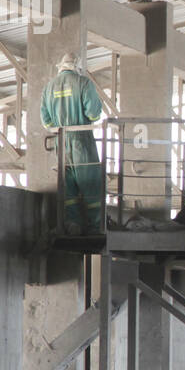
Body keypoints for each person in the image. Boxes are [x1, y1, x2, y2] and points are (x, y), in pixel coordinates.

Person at [41, 52, 105, 235]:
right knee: (90, 182)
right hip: (81, 139)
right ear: (76, 66)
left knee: (67, 185)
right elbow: (94, 114)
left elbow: (46, 121)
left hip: (60, 141)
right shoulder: (83, 83)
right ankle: (96, 226)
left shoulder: (48, 88)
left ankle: (73, 223)